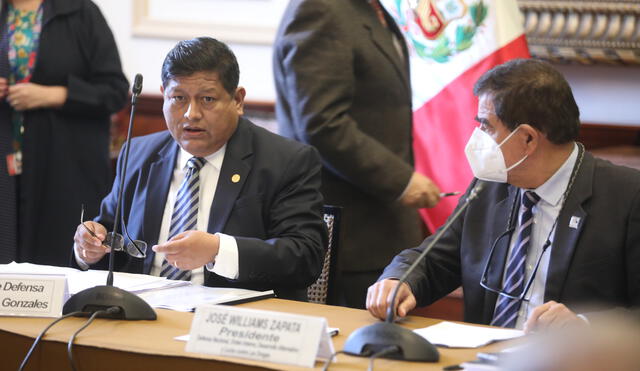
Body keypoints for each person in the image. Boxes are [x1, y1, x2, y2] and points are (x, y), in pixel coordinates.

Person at [367, 59, 640, 331]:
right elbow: (437, 258)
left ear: (528, 139)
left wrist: (584, 325)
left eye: (486, 126)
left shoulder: (627, 197)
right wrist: (400, 279)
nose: (477, 137)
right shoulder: (489, 186)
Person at [72, 37, 326, 301]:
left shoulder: (287, 160)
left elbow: (305, 256)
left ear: (237, 100)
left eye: (207, 99)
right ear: (163, 96)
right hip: (142, 310)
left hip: (231, 321)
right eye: (178, 98)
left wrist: (218, 250)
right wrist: (88, 246)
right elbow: (108, 234)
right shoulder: (137, 154)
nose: (191, 114)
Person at [273, 0, 441, 308]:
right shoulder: (320, 10)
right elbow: (322, 123)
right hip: (350, 241)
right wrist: (400, 180)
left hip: (379, 231)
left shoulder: (367, 9)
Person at [0, 0, 129, 266]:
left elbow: (114, 91)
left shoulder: (80, 12)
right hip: (7, 164)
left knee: (57, 258)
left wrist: (54, 95)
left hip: (64, 164)